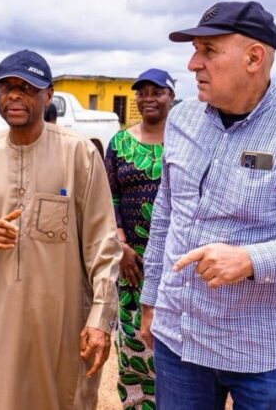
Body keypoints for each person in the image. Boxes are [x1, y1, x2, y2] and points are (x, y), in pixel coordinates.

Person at [139, 1, 276, 409]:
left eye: (208, 51)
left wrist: (253, 259)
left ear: (254, 57)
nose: (193, 64)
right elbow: (167, 215)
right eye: (194, 50)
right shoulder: (182, 120)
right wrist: (152, 300)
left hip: (270, 355)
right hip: (180, 340)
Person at [0, 49, 122, 410]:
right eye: (6, 88)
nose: (14, 96)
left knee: (63, 399)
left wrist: (100, 318)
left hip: (62, 321)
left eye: (26, 88)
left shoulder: (78, 155)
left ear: (48, 96)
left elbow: (103, 245)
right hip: (2, 315)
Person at [104, 68, 174, 410]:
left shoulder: (184, 142)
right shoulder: (119, 143)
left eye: (156, 92)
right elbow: (109, 197)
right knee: (133, 346)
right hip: (132, 266)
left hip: (176, 263)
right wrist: (122, 246)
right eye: (142, 92)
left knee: (173, 349)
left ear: (171, 96)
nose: (148, 98)